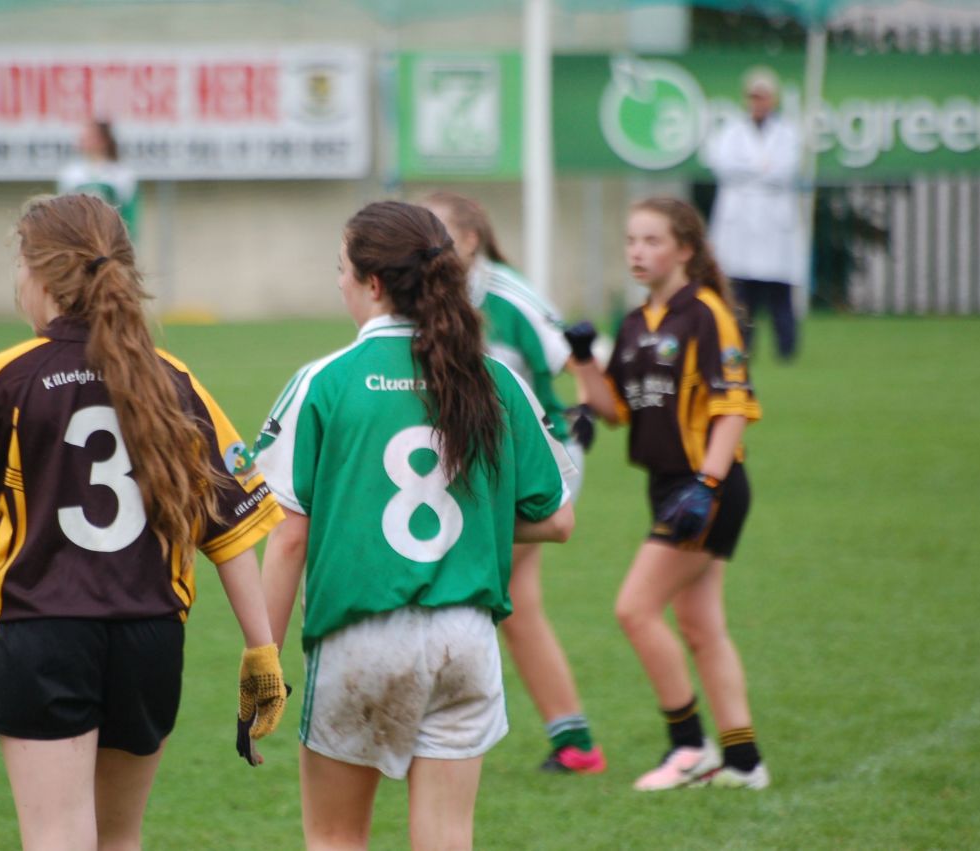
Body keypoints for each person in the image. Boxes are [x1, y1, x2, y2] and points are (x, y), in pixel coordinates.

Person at [0, 193, 288, 850]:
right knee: (119, 838)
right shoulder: (173, 379)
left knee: (57, 835)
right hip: (149, 637)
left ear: (42, 274)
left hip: (43, 632)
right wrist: (262, 647)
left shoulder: (4, 378)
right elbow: (228, 535)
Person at [256, 200, 576, 849]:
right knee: (447, 837)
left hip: (360, 637)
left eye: (340, 268)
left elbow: (288, 536)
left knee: (336, 836)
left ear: (372, 283)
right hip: (465, 639)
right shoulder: (493, 377)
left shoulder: (324, 381)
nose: (338, 281)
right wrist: (476, 524)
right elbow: (557, 520)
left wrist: (261, 657)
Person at [565, 197, 769, 791]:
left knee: (634, 608)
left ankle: (688, 746)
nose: (637, 251)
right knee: (702, 626)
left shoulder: (705, 314)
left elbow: (732, 408)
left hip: (708, 485)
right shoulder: (633, 324)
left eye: (652, 241)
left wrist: (706, 485)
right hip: (667, 487)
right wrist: (582, 361)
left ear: (685, 249)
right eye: (631, 240)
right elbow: (615, 410)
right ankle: (744, 761)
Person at [421, 190, 605, 775]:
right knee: (515, 606)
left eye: (438, 231)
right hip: (491, 463)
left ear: (470, 241)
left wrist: (585, 413)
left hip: (540, 463)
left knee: (460, 581)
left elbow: (584, 355)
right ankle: (573, 739)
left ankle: (429, 727)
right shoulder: (428, 298)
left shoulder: (506, 295)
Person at [703, 66, 805, 361]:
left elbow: (786, 170)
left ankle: (787, 352)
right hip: (741, 227)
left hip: (775, 228)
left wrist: (748, 173)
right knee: (740, 294)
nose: (758, 103)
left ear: (773, 99)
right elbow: (721, 165)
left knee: (779, 294)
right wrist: (760, 171)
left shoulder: (787, 133)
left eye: (763, 97)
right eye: (753, 97)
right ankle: (740, 350)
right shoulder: (731, 131)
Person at [58, 119, 140, 242]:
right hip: (80, 244)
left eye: (90, 136)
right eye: (83, 136)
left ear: (104, 139)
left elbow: (130, 215)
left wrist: (125, 243)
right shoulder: (70, 174)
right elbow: (63, 214)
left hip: (111, 243)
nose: (83, 139)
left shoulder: (122, 174)